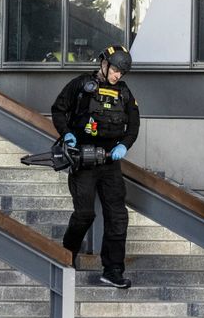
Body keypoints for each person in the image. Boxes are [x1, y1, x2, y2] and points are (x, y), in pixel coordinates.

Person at [51, 45, 140, 288]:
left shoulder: (124, 92)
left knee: (118, 216)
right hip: (83, 158)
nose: (117, 76)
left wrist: (124, 145)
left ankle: (112, 270)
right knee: (85, 214)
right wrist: (67, 135)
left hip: (110, 161)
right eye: (115, 70)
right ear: (104, 64)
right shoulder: (81, 85)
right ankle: (66, 255)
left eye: (121, 73)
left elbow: (133, 126)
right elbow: (58, 110)